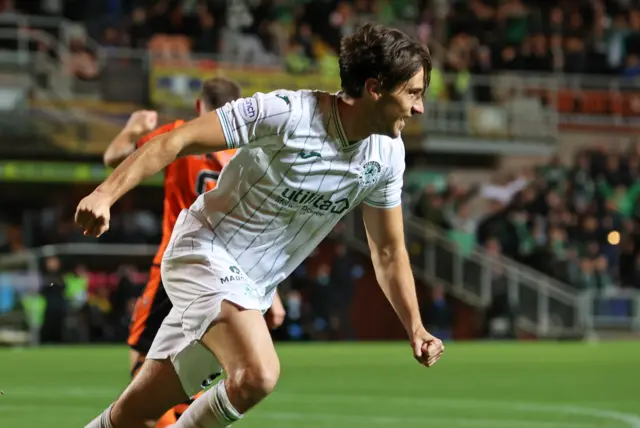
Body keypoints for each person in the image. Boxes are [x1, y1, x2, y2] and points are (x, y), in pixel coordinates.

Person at [78, 23, 445, 428]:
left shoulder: (387, 156)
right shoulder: (284, 113)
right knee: (258, 374)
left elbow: (390, 251)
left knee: (136, 413)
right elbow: (175, 141)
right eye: (412, 93)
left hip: (252, 288)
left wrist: (415, 326)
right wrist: (103, 195)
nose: (419, 108)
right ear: (375, 88)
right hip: (203, 251)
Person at [102, 77, 286, 427]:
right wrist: (270, 292)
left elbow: (114, 157)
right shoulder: (251, 150)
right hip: (234, 276)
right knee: (199, 367)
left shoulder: (181, 133)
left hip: (178, 264)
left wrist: (132, 129)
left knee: (144, 365)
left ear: (200, 107)